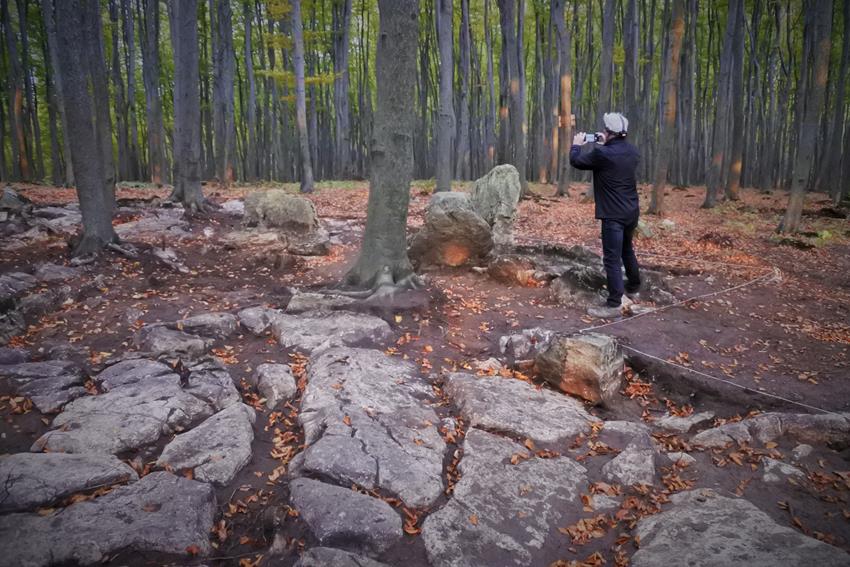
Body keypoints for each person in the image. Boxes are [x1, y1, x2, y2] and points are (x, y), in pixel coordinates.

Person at [569, 112, 641, 318]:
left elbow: (576, 161)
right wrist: (605, 142)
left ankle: (613, 303)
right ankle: (634, 287)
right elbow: (616, 156)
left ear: (609, 132)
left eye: (605, 131)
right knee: (627, 250)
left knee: (611, 258)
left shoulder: (602, 154)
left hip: (613, 214)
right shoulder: (633, 151)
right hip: (631, 211)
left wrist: (576, 144)